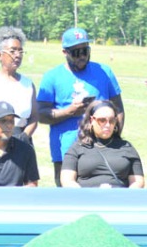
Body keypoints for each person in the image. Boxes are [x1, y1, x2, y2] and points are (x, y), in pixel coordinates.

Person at [37, 27, 123, 186]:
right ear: (65, 52)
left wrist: (115, 137)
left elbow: (118, 109)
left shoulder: (105, 72)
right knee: (67, 196)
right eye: (76, 52)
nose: (82, 56)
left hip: (102, 148)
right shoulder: (52, 77)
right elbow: (40, 115)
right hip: (66, 151)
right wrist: (69, 112)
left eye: (85, 51)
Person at [61, 100, 144, 188]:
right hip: (86, 195)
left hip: (119, 196)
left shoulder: (127, 148)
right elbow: (67, 180)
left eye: (112, 120)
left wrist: (124, 195)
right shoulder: (77, 148)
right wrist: (85, 194)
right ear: (91, 121)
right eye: (102, 120)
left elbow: (138, 182)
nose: (107, 125)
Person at [0, 26, 38, 140]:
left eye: (20, 51)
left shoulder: (28, 85)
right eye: (12, 51)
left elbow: (34, 118)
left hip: (21, 140)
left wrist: (23, 138)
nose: (18, 55)